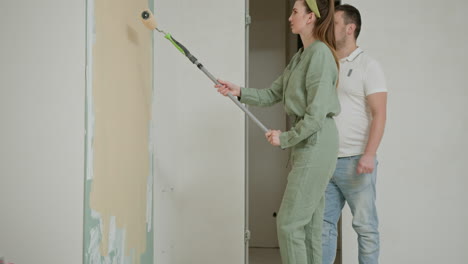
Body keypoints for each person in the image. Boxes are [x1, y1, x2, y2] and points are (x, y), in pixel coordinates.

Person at [216, 0, 339, 263]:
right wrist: (238, 91)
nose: (290, 17)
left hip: (317, 142)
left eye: (295, 12)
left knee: (289, 223)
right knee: (308, 227)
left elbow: (316, 116)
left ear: (310, 18)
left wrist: (285, 138)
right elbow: (273, 93)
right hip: (308, 142)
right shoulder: (301, 56)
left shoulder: (320, 54)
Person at [321, 4, 387, 264]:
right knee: (323, 229)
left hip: (355, 162)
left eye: (335, 24)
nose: (329, 28)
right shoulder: (326, 62)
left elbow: (379, 113)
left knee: (365, 228)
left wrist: (369, 154)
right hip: (326, 160)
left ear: (351, 28)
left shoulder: (368, 66)